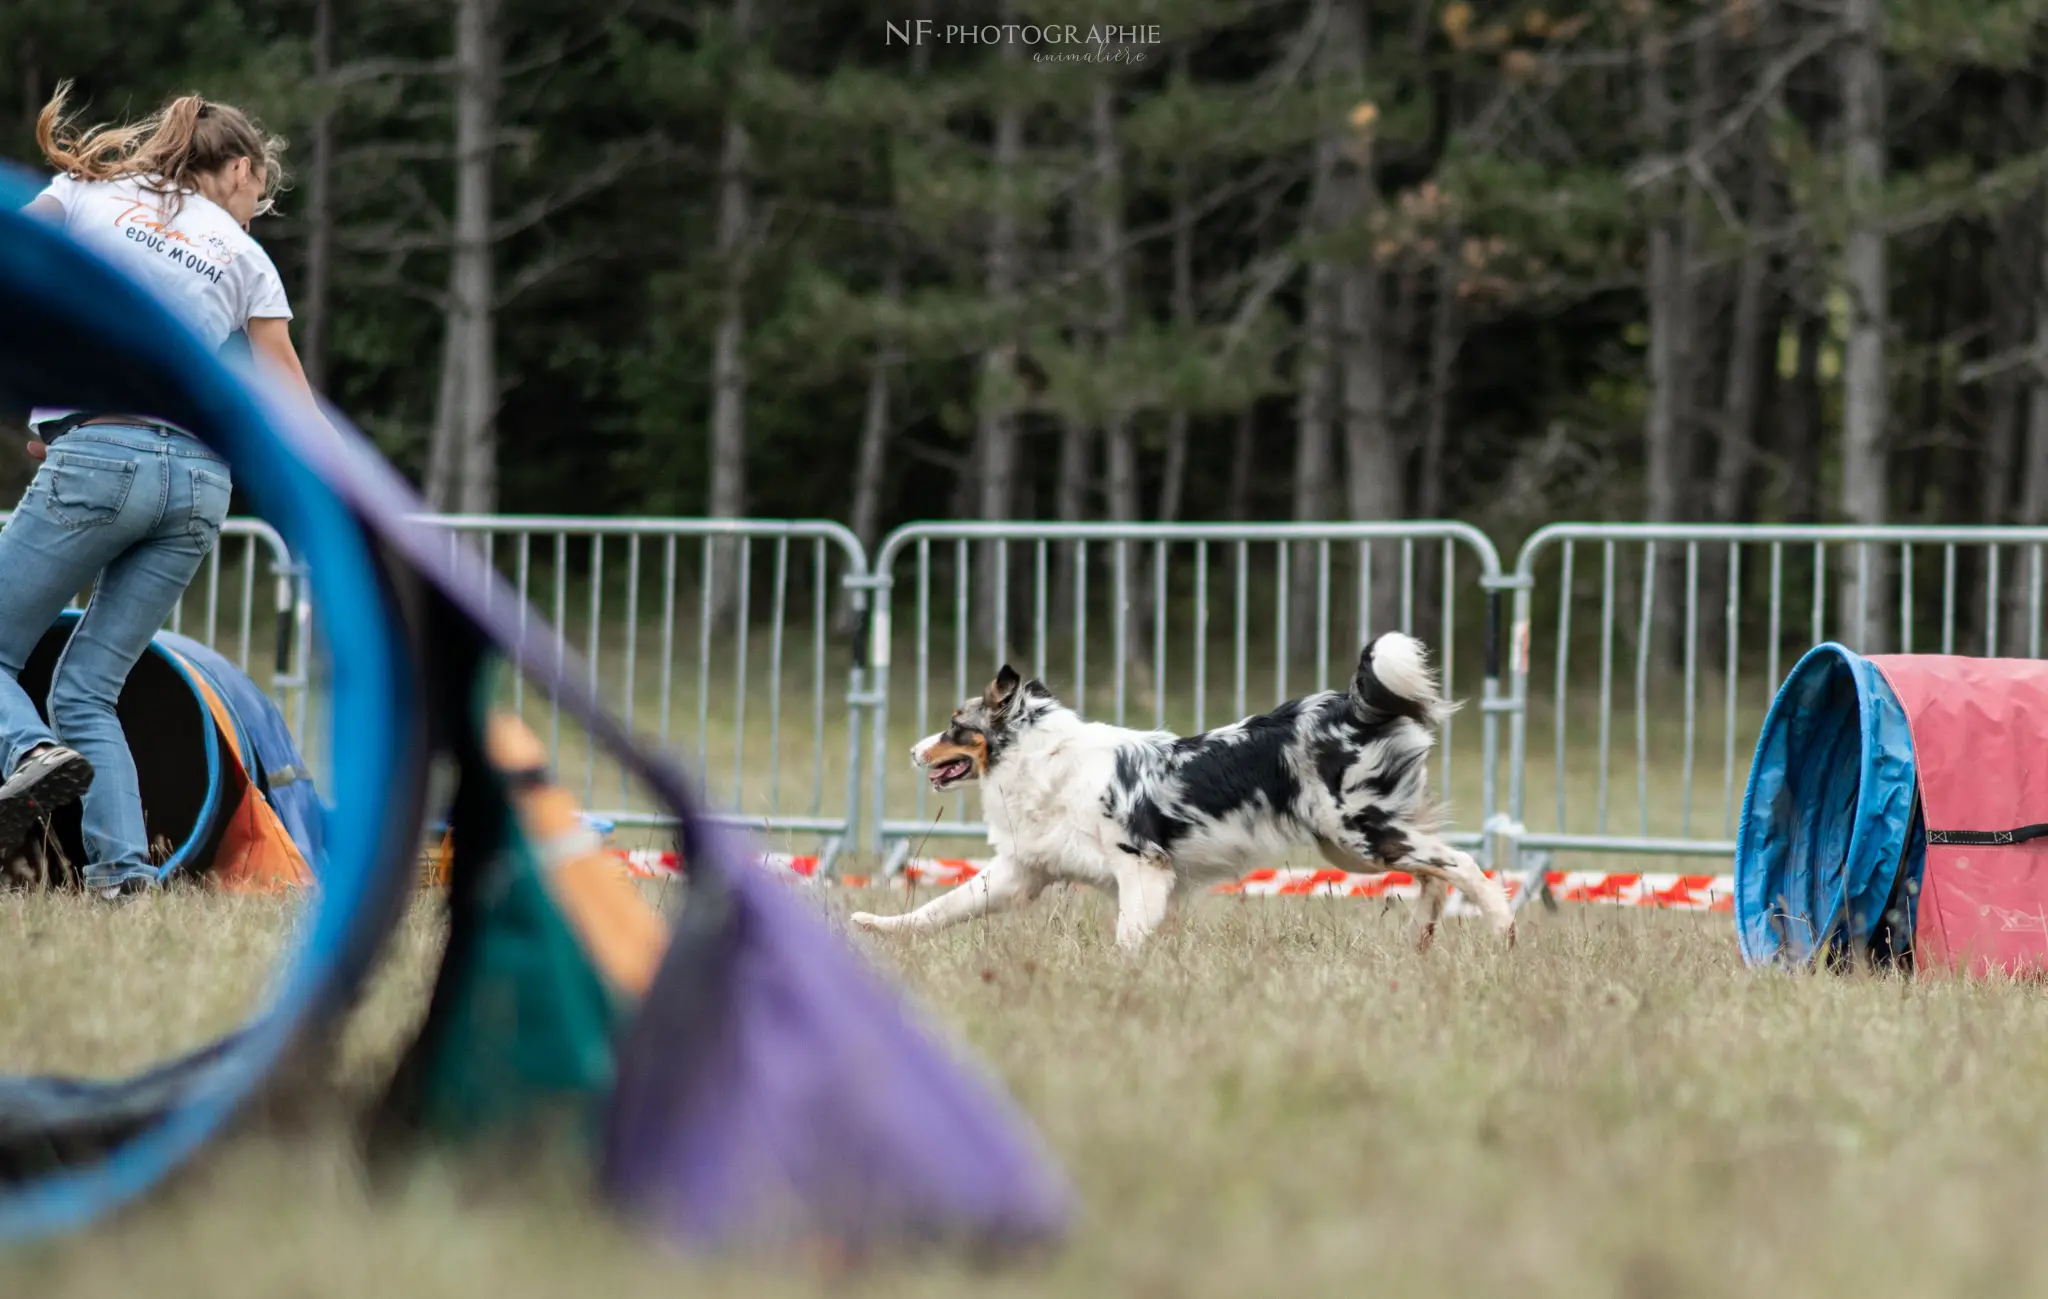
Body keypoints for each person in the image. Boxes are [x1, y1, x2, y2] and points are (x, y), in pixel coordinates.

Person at [1, 82, 320, 898]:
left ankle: (25, 751)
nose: (257, 210)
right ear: (240, 168)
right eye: (261, 194)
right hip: (199, 485)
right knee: (90, 690)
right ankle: (124, 877)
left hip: (102, 458)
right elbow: (293, 404)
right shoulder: (246, 258)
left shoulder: (86, 193)